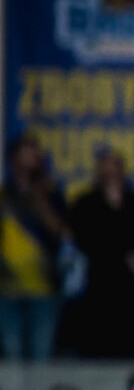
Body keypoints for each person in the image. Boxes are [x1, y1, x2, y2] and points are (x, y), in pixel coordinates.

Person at [63, 146, 134, 358]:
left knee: (133, 347)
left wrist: (113, 214)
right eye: (105, 167)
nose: (110, 172)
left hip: (131, 289)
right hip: (100, 286)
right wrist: (122, 249)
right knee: (99, 347)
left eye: (115, 167)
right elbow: (87, 241)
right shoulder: (85, 203)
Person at [1, 135, 66, 360]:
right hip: (6, 287)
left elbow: (60, 231)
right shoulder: (5, 196)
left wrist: (40, 199)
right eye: (26, 153)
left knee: (41, 356)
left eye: (35, 154)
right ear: (14, 159)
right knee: (12, 354)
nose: (31, 159)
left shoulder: (50, 194)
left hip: (44, 287)